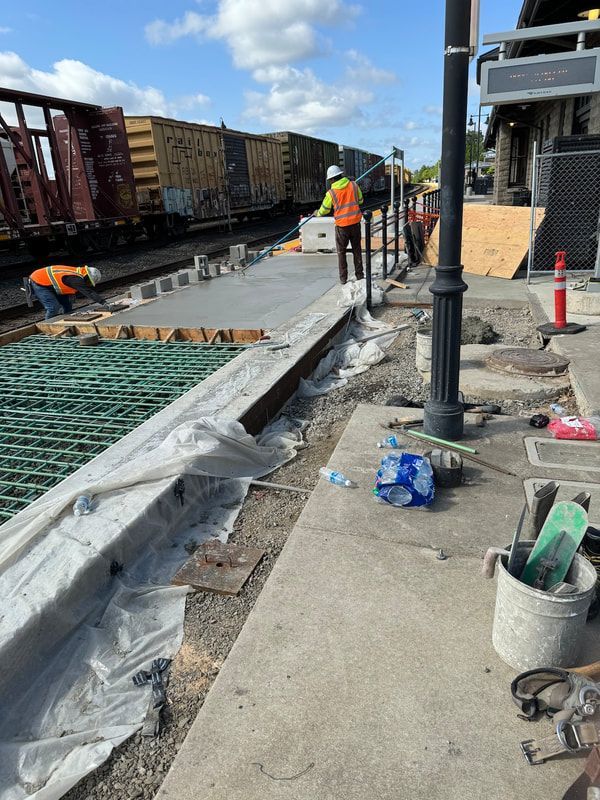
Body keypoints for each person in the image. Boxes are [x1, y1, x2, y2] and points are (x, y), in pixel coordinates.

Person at [315, 165, 364, 284]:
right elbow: (361, 201)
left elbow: (325, 210)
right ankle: (359, 275)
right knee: (357, 250)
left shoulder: (331, 193)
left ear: (331, 179)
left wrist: (317, 213)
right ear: (341, 175)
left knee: (341, 253)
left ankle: (343, 278)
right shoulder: (354, 185)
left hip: (342, 227)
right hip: (355, 224)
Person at [29, 264, 108, 319]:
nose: (88, 284)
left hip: (48, 283)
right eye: (89, 282)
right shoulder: (76, 279)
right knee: (53, 307)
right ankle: (46, 328)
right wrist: (104, 302)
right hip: (38, 281)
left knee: (67, 305)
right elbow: (89, 292)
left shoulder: (78, 272)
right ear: (87, 277)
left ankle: (65, 321)